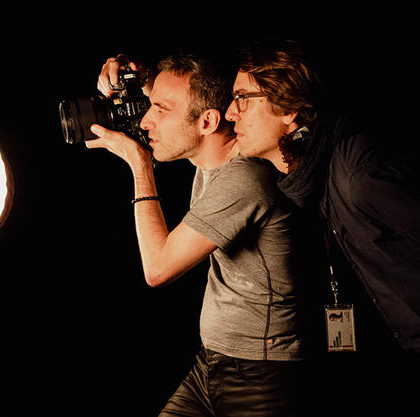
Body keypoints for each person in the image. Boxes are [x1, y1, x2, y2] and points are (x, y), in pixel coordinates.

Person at [88, 53, 318, 416]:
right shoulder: (213, 153)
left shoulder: (246, 178)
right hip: (213, 361)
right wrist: (137, 77)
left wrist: (139, 165)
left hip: (261, 375)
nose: (145, 121)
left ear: (208, 122)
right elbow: (185, 101)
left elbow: (158, 269)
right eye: (150, 106)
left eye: (160, 109)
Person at [224, 38, 420, 414]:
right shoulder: (308, 176)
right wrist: (142, 81)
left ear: (290, 109)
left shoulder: (358, 175)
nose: (231, 113)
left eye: (242, 98)